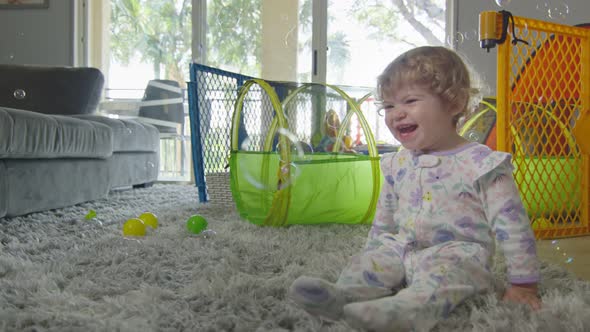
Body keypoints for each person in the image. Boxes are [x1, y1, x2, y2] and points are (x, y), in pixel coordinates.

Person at [288, 46, 541, 331]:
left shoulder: (482, 163)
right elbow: (384, 221)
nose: (397, 114)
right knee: (372, 262)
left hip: (458, 254)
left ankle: (403, 312)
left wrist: (524, 283)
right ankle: (343, 296)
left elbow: (513, 225)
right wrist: (373, 254)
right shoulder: (397, 163)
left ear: (454, 103)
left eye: (409, 100)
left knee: (444, 279)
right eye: (389, 106)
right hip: (402, 248)